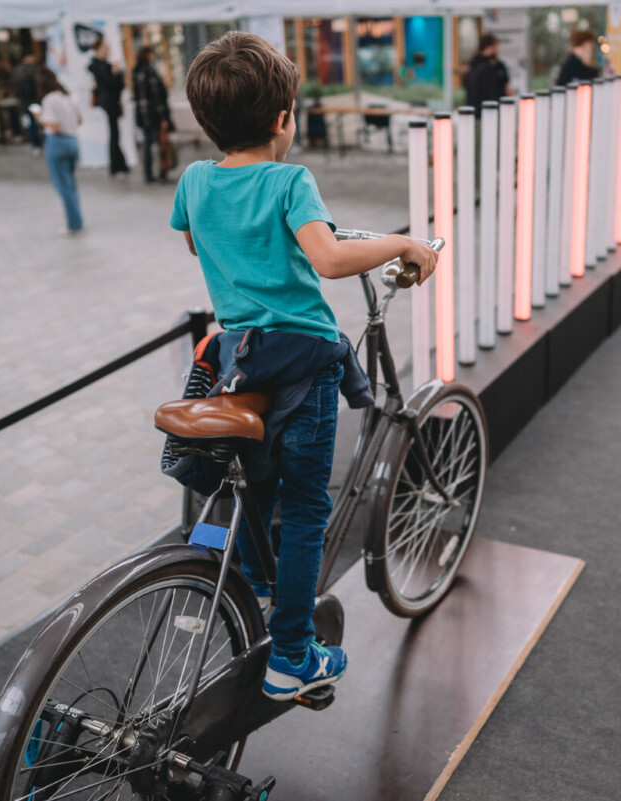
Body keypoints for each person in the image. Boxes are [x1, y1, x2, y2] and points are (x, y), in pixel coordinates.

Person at [170, 32, 437, 700]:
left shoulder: (196, 179)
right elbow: (327, 259)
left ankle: (258, 583)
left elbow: (191, 238)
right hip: (305, 359)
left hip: (242, 355)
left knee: (258, 484)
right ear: (283, 118)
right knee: (308, 509)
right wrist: (403, 242)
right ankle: (292, 655)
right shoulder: (291, 180)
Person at [34, 67, 84, 235]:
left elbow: (53, 126)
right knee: (70, 184)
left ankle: (74, 224)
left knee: (63, 186)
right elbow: (80, 120)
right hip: (72, 141)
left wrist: (39, 118)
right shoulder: (68, 98)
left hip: (58, 143)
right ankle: (77, 220)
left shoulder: (49, 100)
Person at [132, 45, 173, 183]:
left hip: (146, 117)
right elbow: (155, 98)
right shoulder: (147, 73)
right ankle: (161, 173)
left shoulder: (138, 72)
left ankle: (150, 174)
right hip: (153, 116)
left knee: (149, 146)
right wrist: (163, 117)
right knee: (158, 145)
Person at [88, 40, 129, 176]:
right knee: (113, 133)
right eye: (105, 48)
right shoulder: (97, 66)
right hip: (107, 103)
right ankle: (116, 166)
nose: (107, 50)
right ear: (98, 49)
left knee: (115, 133)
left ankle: (119, 164)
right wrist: (114, 74)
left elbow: (119, 86)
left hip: (112, 102)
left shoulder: (106, 65)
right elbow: (108, 84)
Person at [464, 34, 512, 115]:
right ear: (488, 47)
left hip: (495, 110)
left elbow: (506, 87)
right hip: (480, 110)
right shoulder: (476, 65)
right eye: (496, 46)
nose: (498, 49)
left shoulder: (499, 66)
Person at [13, 52, 42, 154]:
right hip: (34, 100)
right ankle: (38, 144)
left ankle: (36, 145)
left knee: (32, 123)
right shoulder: (35, 69)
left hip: (25, 101)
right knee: (38, 122)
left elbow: (15, 85)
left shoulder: (18, 70)